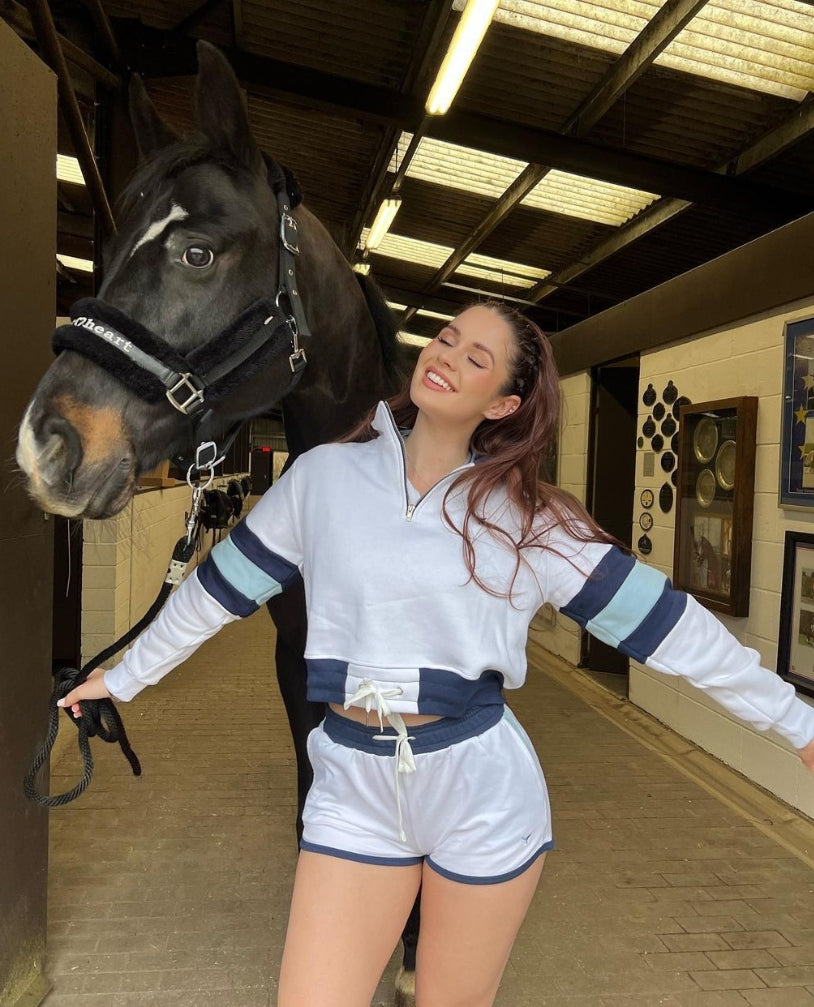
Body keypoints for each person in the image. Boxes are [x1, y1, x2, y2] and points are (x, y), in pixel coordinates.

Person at [60, 301, 814, 1007]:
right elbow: (214, 594)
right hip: (351, 783)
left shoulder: (532, 520)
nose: (446, 355)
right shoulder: (321, 478)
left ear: (505, 404)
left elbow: (673, 629)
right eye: (448, 337)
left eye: (477, 357)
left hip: (478, 790)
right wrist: (121, 678)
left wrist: (799, 725)